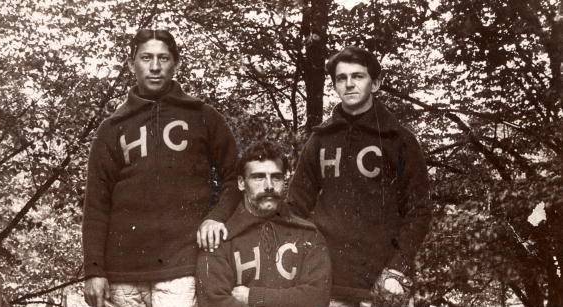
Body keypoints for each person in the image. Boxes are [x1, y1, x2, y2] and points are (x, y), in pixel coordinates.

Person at [82, 29, 240, 307]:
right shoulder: (112, 128)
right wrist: (94, 270)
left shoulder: (203, 116)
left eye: (163, 58)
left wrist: (216, 217)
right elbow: (96, 204)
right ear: (132, 64)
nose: (155, 67)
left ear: (175, 64)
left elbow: (235, 177)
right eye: (146, 58)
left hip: (181, 269)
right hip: (123, 275)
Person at [288, 46, 431, 307]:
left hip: (384, 282)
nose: (349, 84)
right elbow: (296, 204)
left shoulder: (399, 139)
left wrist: (397, 269)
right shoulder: (320, 139)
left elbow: (419, 211)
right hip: (328, 280)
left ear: (376, 83)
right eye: (341, 78)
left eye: (358, 76)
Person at [196, 141, 331, 307]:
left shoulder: (309, 235)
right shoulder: (219, 238)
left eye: (276, 177)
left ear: (284, 181)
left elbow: (317, 297)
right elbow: (214, 302)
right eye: (258, 177)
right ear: (241, 182)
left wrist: (254, 297)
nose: (269, 186)